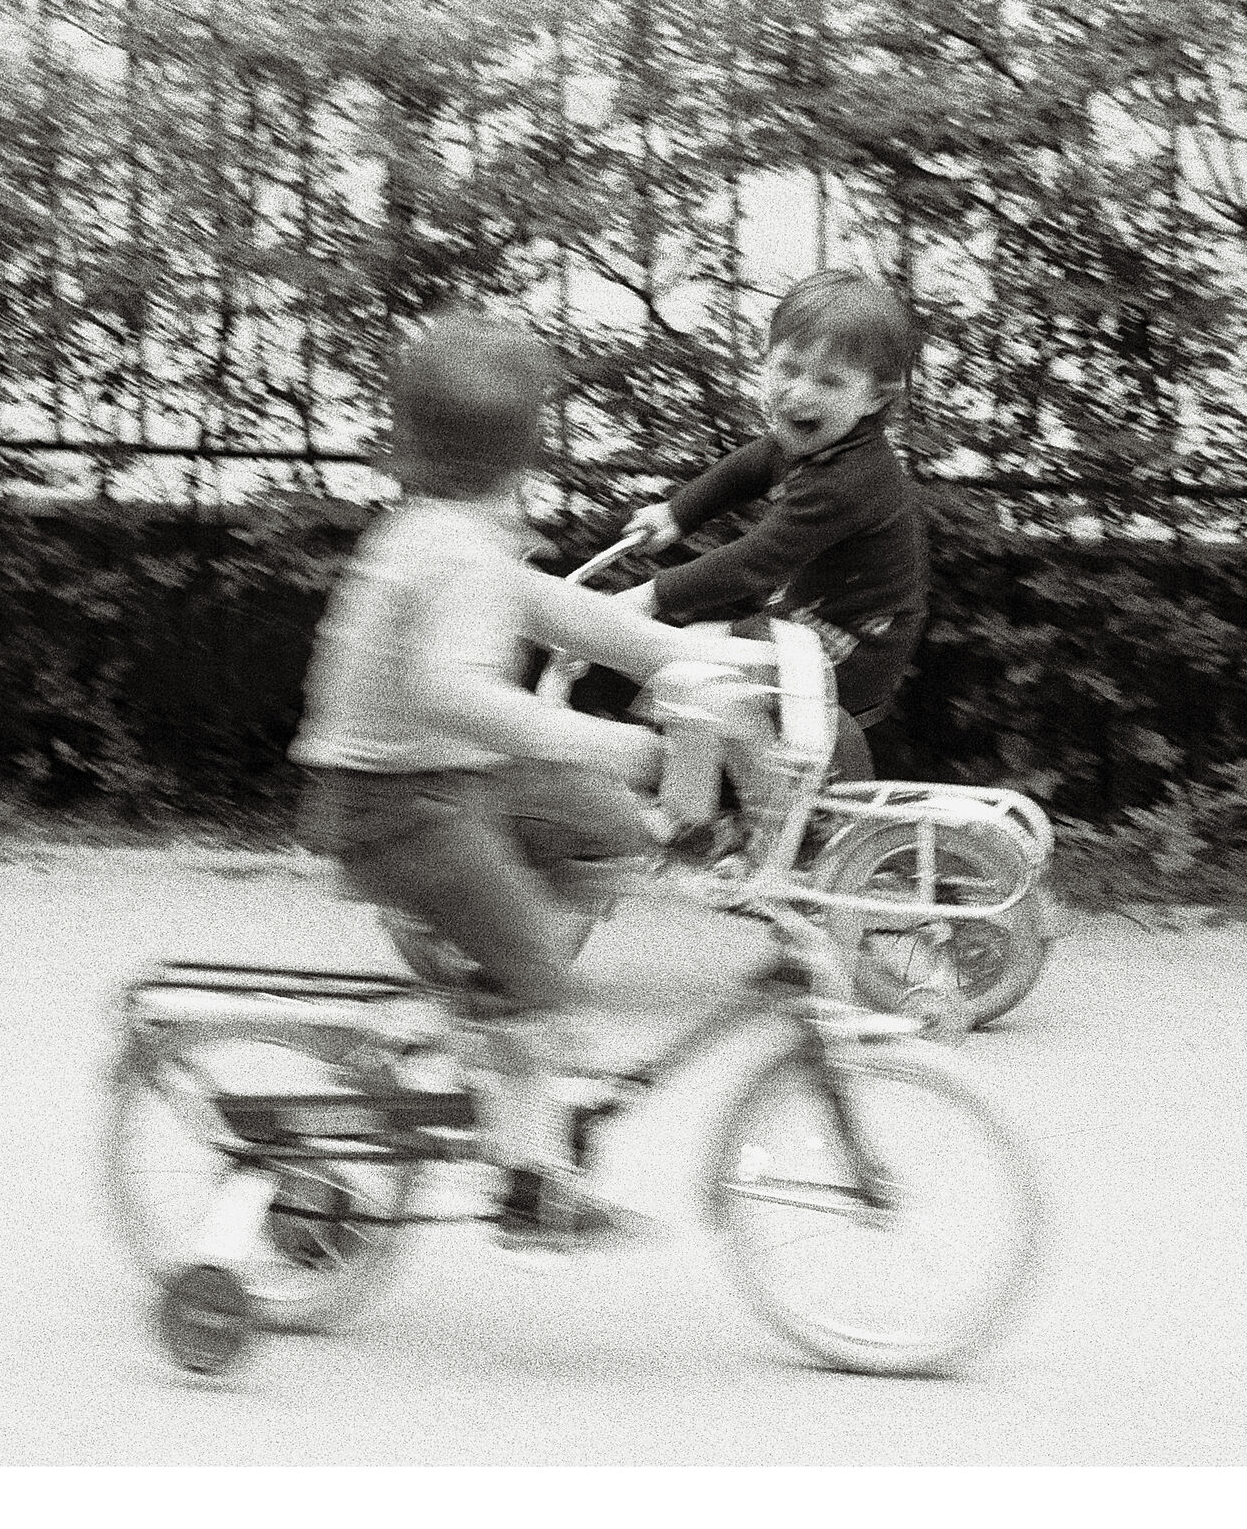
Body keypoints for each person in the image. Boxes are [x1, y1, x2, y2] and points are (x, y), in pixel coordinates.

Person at [291, 312, 777, 1255]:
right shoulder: (455, 552)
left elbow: (567, 614)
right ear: (520, 454)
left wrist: (695, 662)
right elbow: (457, 695)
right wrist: (621, 746)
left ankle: (491, 1002)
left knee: (602, 835)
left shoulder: (444, 529)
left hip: (429, 784)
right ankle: (531, 1180)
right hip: (397, 806)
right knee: (549, 990)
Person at [618, 269, 930, 783]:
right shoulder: (812, 443)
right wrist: (676, 515)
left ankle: (797, 808)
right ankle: (702, 796)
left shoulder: (849, 480)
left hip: (853, 642)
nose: (798, 392)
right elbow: (748, 467)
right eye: (787, 367)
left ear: (876, 397)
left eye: (829, 380)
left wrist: (653, 595)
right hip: (806, 615)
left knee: (704, 677)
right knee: (693, 668)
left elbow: (756, 559)